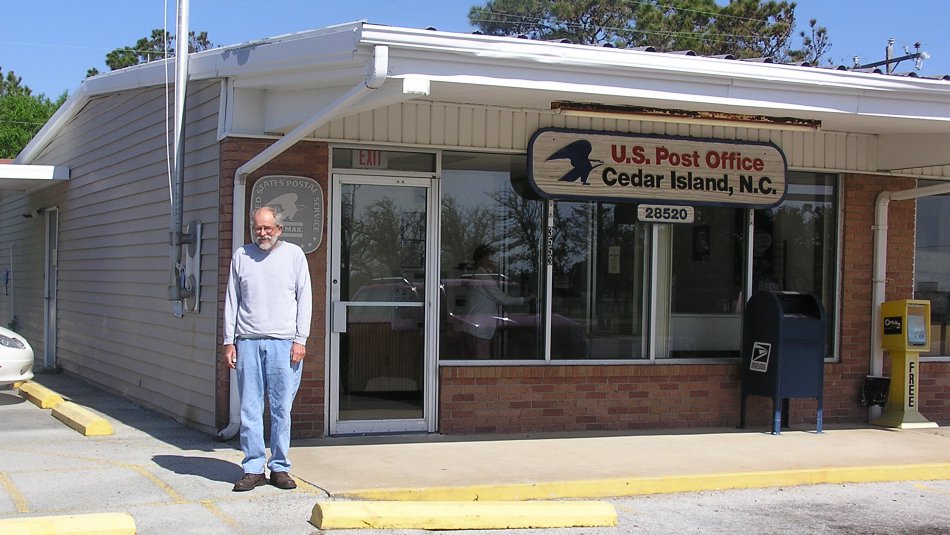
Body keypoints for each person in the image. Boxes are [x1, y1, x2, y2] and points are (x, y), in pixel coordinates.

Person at [222, 206, 312, 492]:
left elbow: (305, 299)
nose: (262, 233)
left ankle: (280, 468)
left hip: (284, 343)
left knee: (281, 409)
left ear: (279, 229)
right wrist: (229, 341)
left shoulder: (294, 255)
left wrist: (301, 340)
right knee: (249, 408)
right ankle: (253, 468)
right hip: (248, 341)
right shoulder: (242, 256)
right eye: (257, 228)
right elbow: (232, 299)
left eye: (267, 228)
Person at [462, 244, 534, 358]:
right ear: (480, 260)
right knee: (481, 364)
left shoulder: (478, 275)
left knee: (473, 361)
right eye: (488, 258)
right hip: (479, 329)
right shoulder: (484, 277)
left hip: (472, 327)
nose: (491, 261)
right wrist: (526, 299)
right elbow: (503, 299)